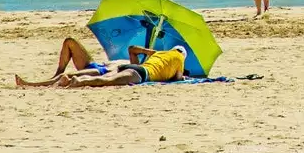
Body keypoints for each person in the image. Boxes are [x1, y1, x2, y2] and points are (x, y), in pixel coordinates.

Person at [15, 38, 191, 88]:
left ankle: (36, 84)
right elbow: (176, 79)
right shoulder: (177, 59)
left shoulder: (160, 55)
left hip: (126, 68)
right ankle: (72, 81)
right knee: (104, 80)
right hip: (135, 73)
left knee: (104, 76)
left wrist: (151, 52)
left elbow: (132, 49)